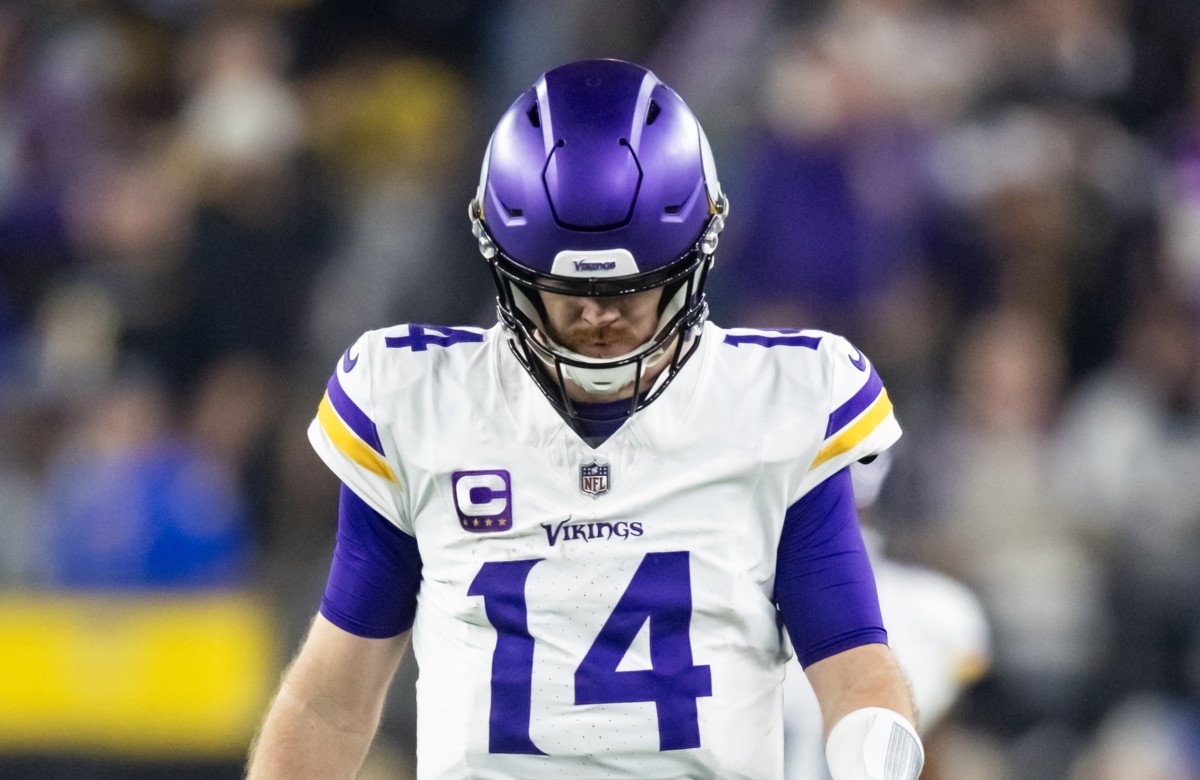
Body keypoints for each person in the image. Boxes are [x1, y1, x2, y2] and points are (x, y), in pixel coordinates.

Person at [247, 58, 922, 780]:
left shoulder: (781, 401)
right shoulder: (420, 401)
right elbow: (334, 699)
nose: (598, 315)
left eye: (633, 288)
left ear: (701, 246)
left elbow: (854, 673)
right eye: (565, 288)